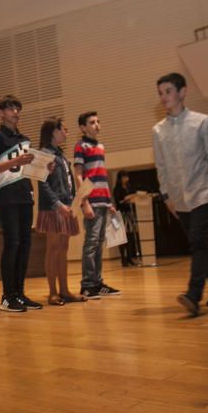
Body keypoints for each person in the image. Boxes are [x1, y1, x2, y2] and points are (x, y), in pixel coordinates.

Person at [151, 72, 208, 317]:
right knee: (201, 245)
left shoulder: (202, 122)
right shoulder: (157, 131)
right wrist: (166, 196)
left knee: (197, 241)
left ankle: (193, 295)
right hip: (178, 199)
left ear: (182, 92)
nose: (163, 97)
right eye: (160, 93)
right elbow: (161, 167)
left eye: (168, 91)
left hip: (202, 193)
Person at [0, 95, 41, 312]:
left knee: (25, 245)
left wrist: (43, 168)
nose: (15, 112)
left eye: (17, 108)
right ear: (1, 113)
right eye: (10, 109)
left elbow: (30, 169)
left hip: (25, 195)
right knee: (12, 244)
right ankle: (8, 296)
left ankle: (19, 292)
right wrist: (14, 161)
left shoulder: (24, 139)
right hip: (7, 196)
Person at [35, 117, 86, 306]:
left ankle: (64, 290)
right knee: (53, 248)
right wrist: (58, 204)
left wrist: (73, 203)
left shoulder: (62, 156)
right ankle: (53, 293)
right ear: (53, 132)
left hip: (67, 206)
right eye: (63, 129)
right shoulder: (44, 153)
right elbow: (43, 184)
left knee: (63, 249)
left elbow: (69, 183)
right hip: (52, 208)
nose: (66, 132)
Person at [73, 111, 120, 300]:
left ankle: (98, 283)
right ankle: (87, 285)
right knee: (91, 243)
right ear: (83, 127)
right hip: (91, 201)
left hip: (103, 201)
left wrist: (109, 202)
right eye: (92, 122)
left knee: (100, 243)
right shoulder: (80, 146)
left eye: (98, 121)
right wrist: (84, 202)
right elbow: (78, 175)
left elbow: (102, 176)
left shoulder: (100, 146)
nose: (97, 125)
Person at [112, 170, 142, 266]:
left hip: (129, 214)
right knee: (121, 238)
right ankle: (123, 259)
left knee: (130, 237)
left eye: (127, 177)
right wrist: (126, 199)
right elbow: (118, 200)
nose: (126, 179)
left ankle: (129, 257)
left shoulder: (129, 187)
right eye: (124, 177)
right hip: (120, 215)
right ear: (120, 178)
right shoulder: (117, 189)